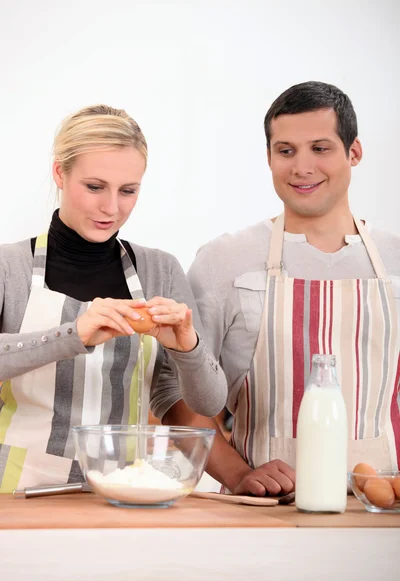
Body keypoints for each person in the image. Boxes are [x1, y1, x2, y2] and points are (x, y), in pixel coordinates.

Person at [158, 81, 400, 496]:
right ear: (269, 157)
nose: (301, 167)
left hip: (384, 511)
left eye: (320, 148)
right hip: (263, 512)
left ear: (354, 152)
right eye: (285, 151)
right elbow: (177, 398)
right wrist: (239, 476)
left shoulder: (393, 259)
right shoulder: (223, 261)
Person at [0, 104, 227, 492]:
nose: (111, 208)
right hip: (13, 490)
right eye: (94, 187)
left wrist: (188, 347)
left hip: (120, 489)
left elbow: (208, 403)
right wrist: (75, 334)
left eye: (128, 191)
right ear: (60, 172)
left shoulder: (160, 270)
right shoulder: (10, 266)